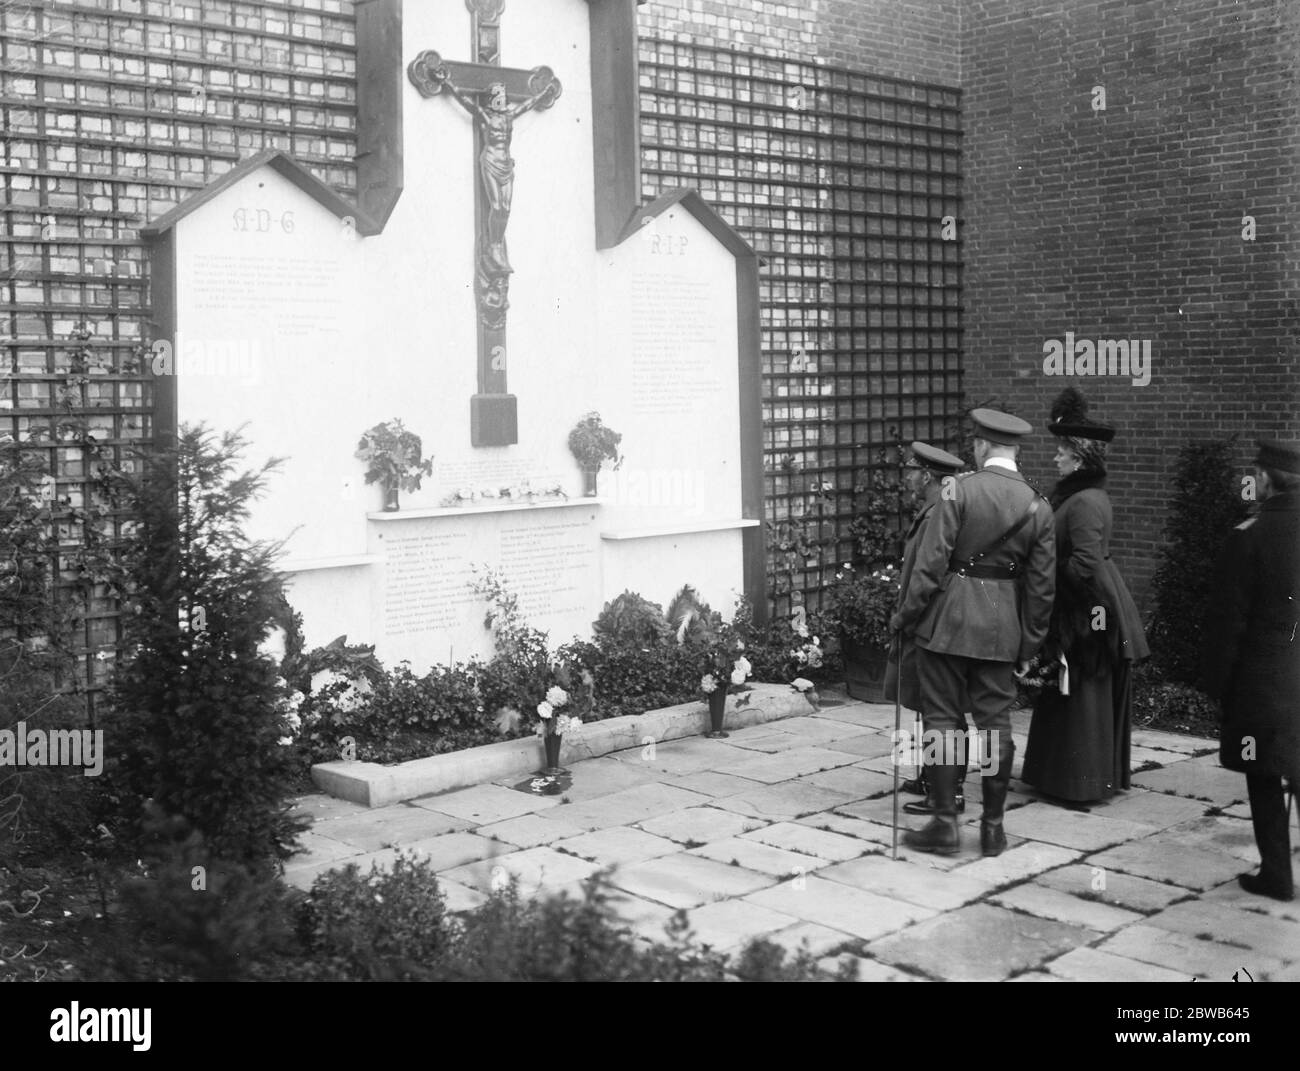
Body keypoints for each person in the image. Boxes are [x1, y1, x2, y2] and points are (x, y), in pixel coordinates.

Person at [891, 409, 1056, 856]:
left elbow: (930, 565)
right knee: (995, 725)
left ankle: (945, 824)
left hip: (948, 623)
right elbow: (1042, 588)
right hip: (1002, 630)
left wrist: (906, 616)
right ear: (1015, 450)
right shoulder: (1039, 505)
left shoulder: (956, 490)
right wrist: (1030, 643)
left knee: (943, 721)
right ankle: (993, 829)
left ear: (982, 446)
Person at [1021, 389, 1150, 805]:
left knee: (1082, 690)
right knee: (1070, 690)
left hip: (1091, 610)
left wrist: (1050, 580)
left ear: (1078, 457)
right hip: (1083, 603)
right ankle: (1060, 775)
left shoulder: (1086, 502)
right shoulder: (1078, 496)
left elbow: (1086, 563)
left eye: (1061, 451)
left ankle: (1081, 781)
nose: (1055, 457)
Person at [1201, 439, 1300, 902]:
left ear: (1265, 479)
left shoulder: (1249, 535)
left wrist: (1217, 683)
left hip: (1264, 681)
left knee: (1263, 775)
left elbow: (1228, 622)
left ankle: (1277, 874)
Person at [885, 441, 972, 816]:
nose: (906, 476)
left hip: (932, 622)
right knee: (927, 702)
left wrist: (904, 615)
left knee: (944, 711)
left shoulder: (939, 512)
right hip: (928, 621)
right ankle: (929, 776)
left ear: (927, 475)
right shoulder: (934, 509)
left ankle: (949, 791)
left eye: (910, 470)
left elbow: (928, 575)